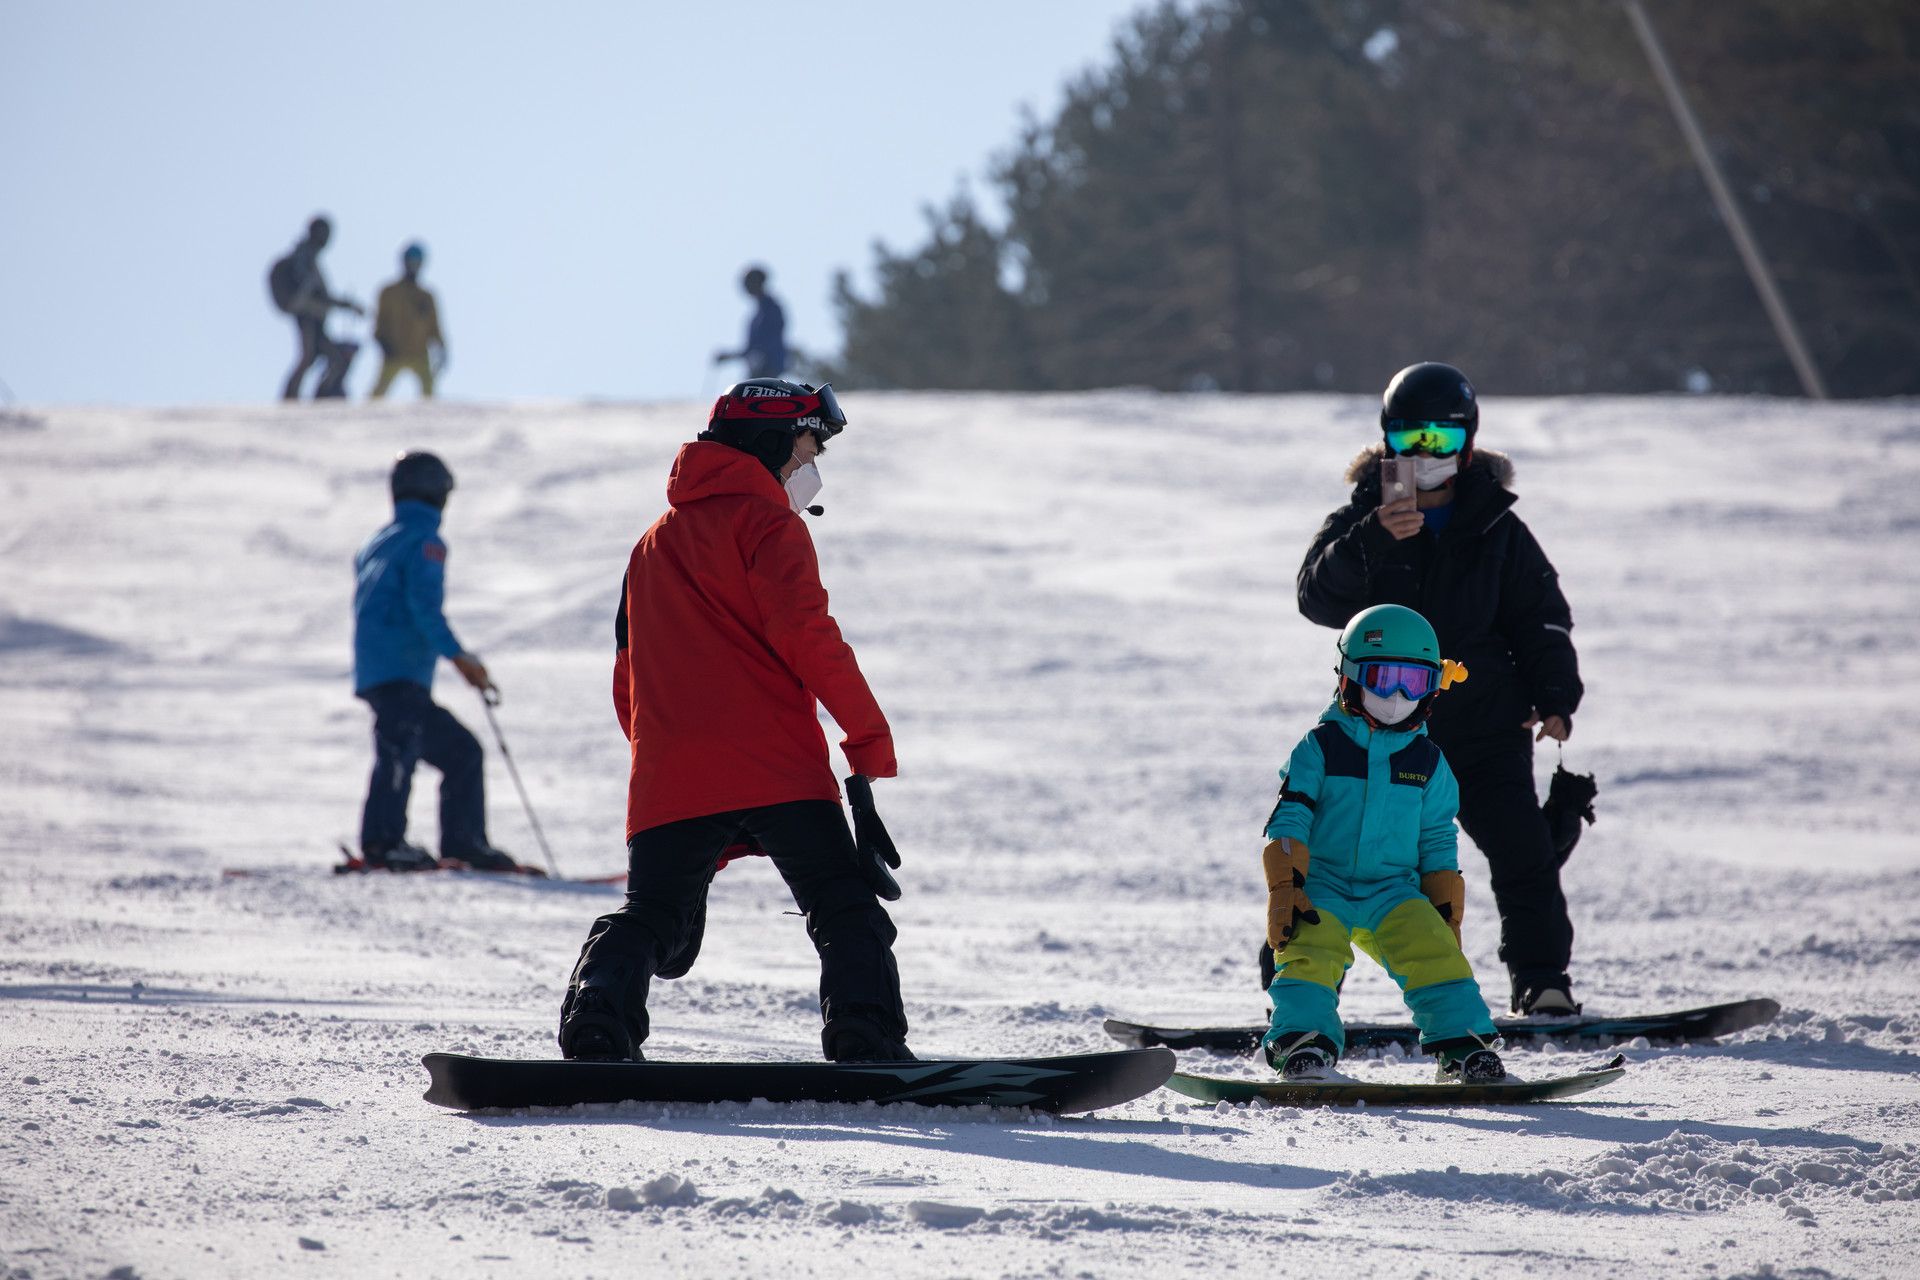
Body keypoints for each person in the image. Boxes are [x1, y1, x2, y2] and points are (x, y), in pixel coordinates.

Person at [556, 378, 909, 1064]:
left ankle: (598, 1020)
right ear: (769, 440)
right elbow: (810, 639)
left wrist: (672, 763)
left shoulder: (650, 545)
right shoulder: (770, 526)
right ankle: (863, 1033)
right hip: (779, 768)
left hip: (670, 779)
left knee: (654, 917)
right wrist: (868, 742)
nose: (811, 467)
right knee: (843, 908)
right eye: (807, 447)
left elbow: (628, 674)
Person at [1295, 361, 1585, 1015]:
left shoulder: (1498, 529)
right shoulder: (1360, 518)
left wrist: (1556, 699)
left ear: (1470, 446)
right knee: (1336, 858)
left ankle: (1543, 983)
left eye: (1442, 441)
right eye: (1409, 439)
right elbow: (1314, 599)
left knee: (1524, 853)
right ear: (1387, 441)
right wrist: (1370, 539)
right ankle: (1300, 993)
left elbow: (1541, 619)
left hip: (1486, 726)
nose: (1424, 455)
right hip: (1378, 731)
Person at [1260, 604, 1506, 1084]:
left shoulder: (1429, 763)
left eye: (1411, 683)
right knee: (1309, 953)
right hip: (1325, 887)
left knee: (1435, 954)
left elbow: (1437, 836)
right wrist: (1287, 886)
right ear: (1350, 678)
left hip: (1393, 890)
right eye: (1382, 678)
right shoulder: (1322, 747)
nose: (1395, 696)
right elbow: (1292, 813)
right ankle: (1303, 1047)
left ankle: (1463, 1047)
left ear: (1432, 687)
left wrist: (1442, 905)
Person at [351, 451, 529, 874]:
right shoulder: (425, 541)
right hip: (401, 673)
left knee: (455, 752)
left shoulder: (379, 540)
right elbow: (424, 608)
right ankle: (386, 844)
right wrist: (460, 658)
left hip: (377, 672)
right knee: (403, 750)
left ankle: (456, 842)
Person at [268, 216, 363, 400]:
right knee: (310, 356)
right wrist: (344, 305)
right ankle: (298, 397)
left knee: (328, 358)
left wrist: (346, 305)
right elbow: (314, 292)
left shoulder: (308, 257)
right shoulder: (304, 258)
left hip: (314, 316)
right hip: (308, 317)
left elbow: (322, 295)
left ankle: (321, 394)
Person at [370, 242, 446, 399]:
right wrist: (384, 344)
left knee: (429, 394)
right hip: (394, 353)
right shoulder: (389, 293)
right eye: (410, 261)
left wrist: (441, 347)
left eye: (416, 262)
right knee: (377, 395)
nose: (413, 266)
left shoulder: (426, 297)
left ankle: (430, 421)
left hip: (419, 354)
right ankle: (360, 419)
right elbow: (379, 324)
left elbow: (434, 327)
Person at [711, 265, 787, 378]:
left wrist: (730, 357)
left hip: (768, 369)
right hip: (758, 369)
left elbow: (765, 345)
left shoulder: (771, 309)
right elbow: (751, 349)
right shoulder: (759, 313)